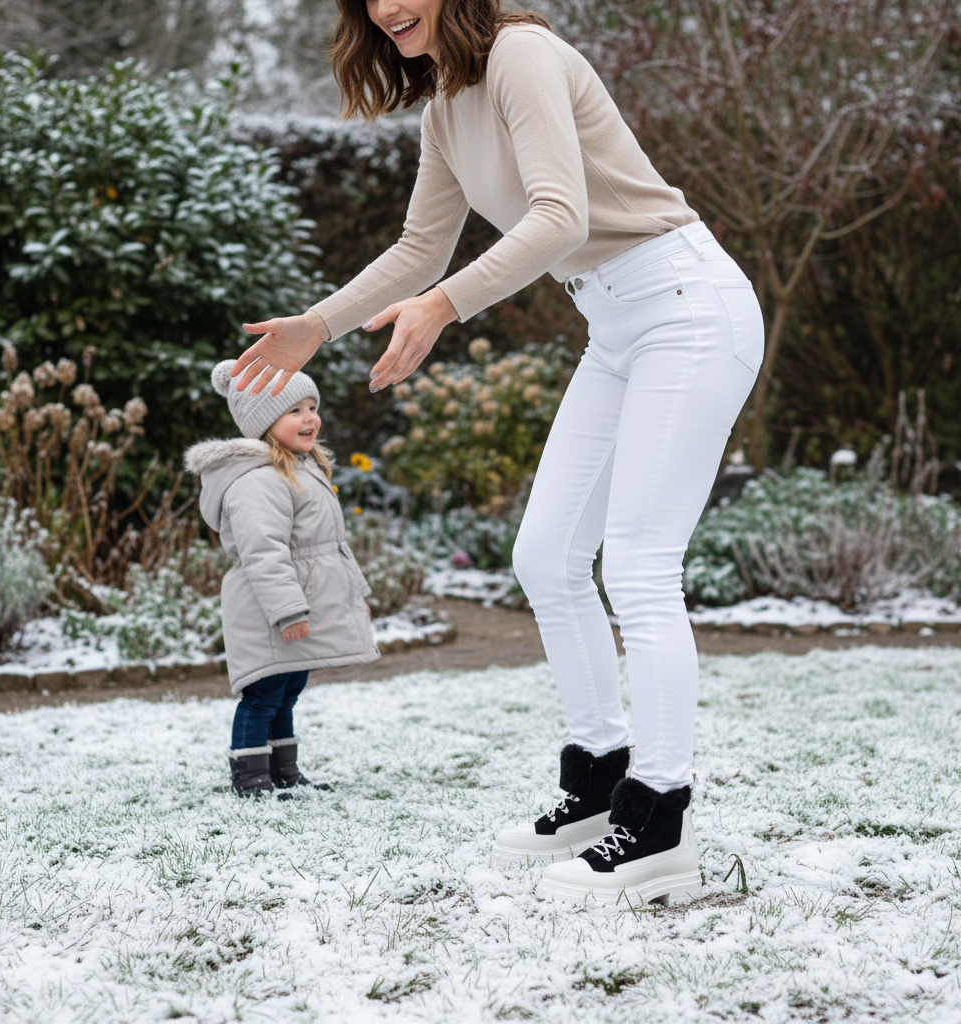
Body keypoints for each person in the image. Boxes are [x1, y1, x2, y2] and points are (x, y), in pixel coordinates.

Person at [228, 0, 764, 902]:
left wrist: (444, 308)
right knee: (547, 557)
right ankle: (600, 785)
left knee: (637, 566)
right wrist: (316, 328)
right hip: (617, 323)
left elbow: (561, 215)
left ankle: (660, 819)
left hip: (687, 306)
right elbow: (417, 249)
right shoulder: (445, 104)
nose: (388, 8)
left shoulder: (523, 52)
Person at [184, 361, 380, 797]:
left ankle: (284, 773)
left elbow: (332, 547)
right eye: (295, 411)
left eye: (312, 407)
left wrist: (355, 596)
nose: (310, 418)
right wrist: (287, 609)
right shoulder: (258, 481)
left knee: (288, 688)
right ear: (264, 423)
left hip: (297, 605)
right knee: (263, 695)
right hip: (268, 610)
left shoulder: (299, 468)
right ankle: (251, 779)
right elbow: (263, 551)